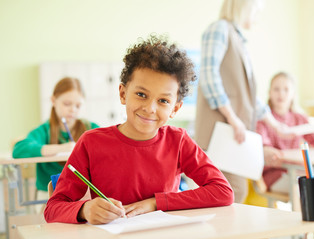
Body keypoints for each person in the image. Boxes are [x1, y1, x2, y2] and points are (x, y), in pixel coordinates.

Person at [44, 35, 234, 225]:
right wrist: (84, 210)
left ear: (175, 108)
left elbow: (222, 191)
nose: (150, 108)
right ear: (123, 93)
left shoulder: (178, 140)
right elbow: (53, 208)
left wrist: (155, 203)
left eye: (163, 101)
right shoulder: (91, 142)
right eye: (141, 94)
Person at [194, 0, 292, 203]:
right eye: (256, 10)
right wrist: (232, 117)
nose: (257, 17)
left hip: (232, 133)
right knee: (229, 193)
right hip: (220, 133)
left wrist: (275, 125)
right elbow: (209, 77)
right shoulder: (220, 30)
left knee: (234, 193)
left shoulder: (238, 40)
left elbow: (248, 96)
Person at [12, 77, 100, 200]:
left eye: (78, 105)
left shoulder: (90, 128)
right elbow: (19, 149)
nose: (73, 110)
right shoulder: (44, 131)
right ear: (53, 100)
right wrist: (60, 148)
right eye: (67, 104)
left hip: (82, 194)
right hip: (48, 195)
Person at [256, 72, 314, 193]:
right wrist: (267, 152)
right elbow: (263, 146)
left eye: (286, 89)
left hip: (301, 171)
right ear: (269, 93)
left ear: (293, 94)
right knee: (309, 190)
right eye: (276, 89)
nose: (281, 94)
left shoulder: (299, 118)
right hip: (276, 175)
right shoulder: (263, 120)